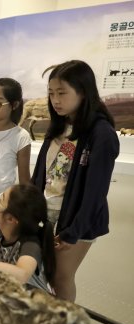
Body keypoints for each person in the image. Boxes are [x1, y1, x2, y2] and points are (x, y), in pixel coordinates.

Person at [31, 60, 119, 301]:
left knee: (61, 276)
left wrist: (73, 231)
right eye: (51, 93)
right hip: (48, 214)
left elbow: (95, 193)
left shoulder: (102, 134)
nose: (55, 100)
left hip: (76, 221)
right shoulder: (59, 125)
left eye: (62, 93)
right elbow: (42, 173)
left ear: (83, 92)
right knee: (45, 273)